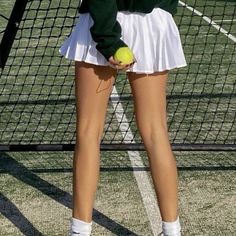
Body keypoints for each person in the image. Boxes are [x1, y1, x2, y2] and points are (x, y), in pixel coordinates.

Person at [59, 0, 187, 235]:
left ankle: (79, 231)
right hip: (153, 24)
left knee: (88, 132)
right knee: (156, 133)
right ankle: (172, 231)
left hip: (103, 20)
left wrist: (108, 40)